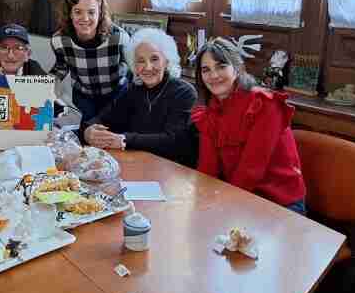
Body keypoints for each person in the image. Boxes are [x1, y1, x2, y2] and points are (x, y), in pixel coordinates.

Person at [192, 37, 307, 213]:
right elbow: (208, 168)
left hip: (280, 202)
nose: (213, 76)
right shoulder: (211, 111)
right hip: (240, 196)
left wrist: (222, 209)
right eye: (206, 70)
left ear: (237, 68)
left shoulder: (264, 104)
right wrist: (199, 201)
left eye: (221, 66)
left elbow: (250, 170)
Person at [81, 28, 198, 166]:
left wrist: (124, 140)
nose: (148, 67)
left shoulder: (184, 92)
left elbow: (173, 141)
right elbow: (103, 118)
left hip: (173, 169)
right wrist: (88, 131)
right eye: (140, 61)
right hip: (138, 163)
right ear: (134, 66)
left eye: (154, 59)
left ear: (167, 61)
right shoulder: (133, 90)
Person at [50, 0, 130, 122]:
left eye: (91, 12)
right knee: (88, 129)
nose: (85, 18)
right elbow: (61, 68)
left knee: (111, 130)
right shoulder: (59, 40)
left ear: (100, 14)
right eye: (78, 12)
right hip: (83, 96)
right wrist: (42, 85)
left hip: (115, 94)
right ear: (70, 14)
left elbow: (131, 68)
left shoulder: (119, 38)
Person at [0, 23, 60, 128]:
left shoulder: (42, 81)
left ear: (28, 54)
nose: (10, 55)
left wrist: (51, 130)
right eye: (4, 47)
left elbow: (58, 117)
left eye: (18, 48)